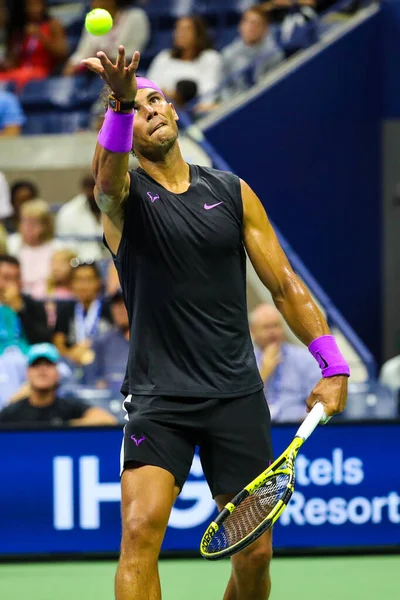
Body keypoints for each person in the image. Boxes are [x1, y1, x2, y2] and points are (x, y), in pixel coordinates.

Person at [83, 45, 349, 600]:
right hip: (160, 398)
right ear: (124, 130)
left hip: (235, 394)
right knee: (138, 533)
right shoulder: (124, 200)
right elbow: (106, 181)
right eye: (137, 108)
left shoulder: (230, 192)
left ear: (176, 112)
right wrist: (121, 103)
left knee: (254, 553)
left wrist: (333, 362)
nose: (150, 110)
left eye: (157, 100)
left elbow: (284, 286)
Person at [0, 343, 117, 425]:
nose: (42, 370)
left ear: (58, 373)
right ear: (27, 373)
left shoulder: (69, 406)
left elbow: (107, 419)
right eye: (36, 365)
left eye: (48, 364)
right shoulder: (12, 412)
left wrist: (64, 427)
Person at [250, 303, 321, 421]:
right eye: (266, 327)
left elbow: (319, 403)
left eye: (276, 326)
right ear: (252, 331)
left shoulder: (305, 358)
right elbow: (243, 406)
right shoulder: (244, 362)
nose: (272, 332)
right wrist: (264, 372)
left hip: (296, 427)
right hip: (259, 429)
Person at [147, 16, 223, 104]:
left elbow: (208, 93)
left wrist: (178, 97)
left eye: (186, 30)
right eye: (178, 29)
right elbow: (149, 89)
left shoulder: (210, 57)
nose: (180, 33)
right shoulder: (164, 57)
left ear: (198, 34)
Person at [63, 0, 150, 76]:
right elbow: (81, 54)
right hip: (91, 75)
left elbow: (129, 59)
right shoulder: (92, 22)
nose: (92, 2)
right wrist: (74, 66)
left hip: (123, 77)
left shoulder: (135, 17)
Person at [53, 261, 112, 367]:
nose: (84, 285)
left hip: (105, 361)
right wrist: (72, 355)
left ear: (98, 282)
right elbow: (58, 344)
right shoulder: (66, 309)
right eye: (79, 280)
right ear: (71, 284)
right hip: (72, 363)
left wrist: (91, 346)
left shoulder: (110, 308)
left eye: (89, 280)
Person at [0, 0, 67, 89]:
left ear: (43, 5)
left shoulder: (53, 24)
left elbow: (62, 53)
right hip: (19, 72)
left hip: (42, 71)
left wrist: (40, 36)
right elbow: (12, 61)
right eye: (29, 6)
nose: (32, 9)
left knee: (22, 77)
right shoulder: (20, 30)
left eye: (36, 4)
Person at [8, 198, 62, 299]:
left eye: (34, 223)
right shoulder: (12, 244)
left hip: (45, 298)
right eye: (25, 222)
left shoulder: (57, 248)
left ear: (46, 225)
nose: (28, 227)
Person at [222, 6, 283, 95]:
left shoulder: (274, 54)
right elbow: (225, 88)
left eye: (257, 24)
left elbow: (275, 88)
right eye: (247, 22)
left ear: (265, 29)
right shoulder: (228, 54)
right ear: (240, 26)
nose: (251, 27)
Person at [84, 289, 129, 396]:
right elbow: (90, 380)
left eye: (125, 303)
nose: (120, 309)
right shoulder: (101, 342)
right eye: (116, 304)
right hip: (110, 402)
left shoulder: (149, 341)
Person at [0, 254, 51, 345]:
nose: (12, 284)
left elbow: (42, 340)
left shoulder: (32, 305)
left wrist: (20, 310)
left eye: (17, 278)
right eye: (6, 278)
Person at [55, 174, 106, 261]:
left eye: (97, 187)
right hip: (79, 264)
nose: (93, 192)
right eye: (89, 188)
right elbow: (65, 247)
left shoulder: (119, 208)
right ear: (83, 189)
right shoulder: (68, 212)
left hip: (113, 263)